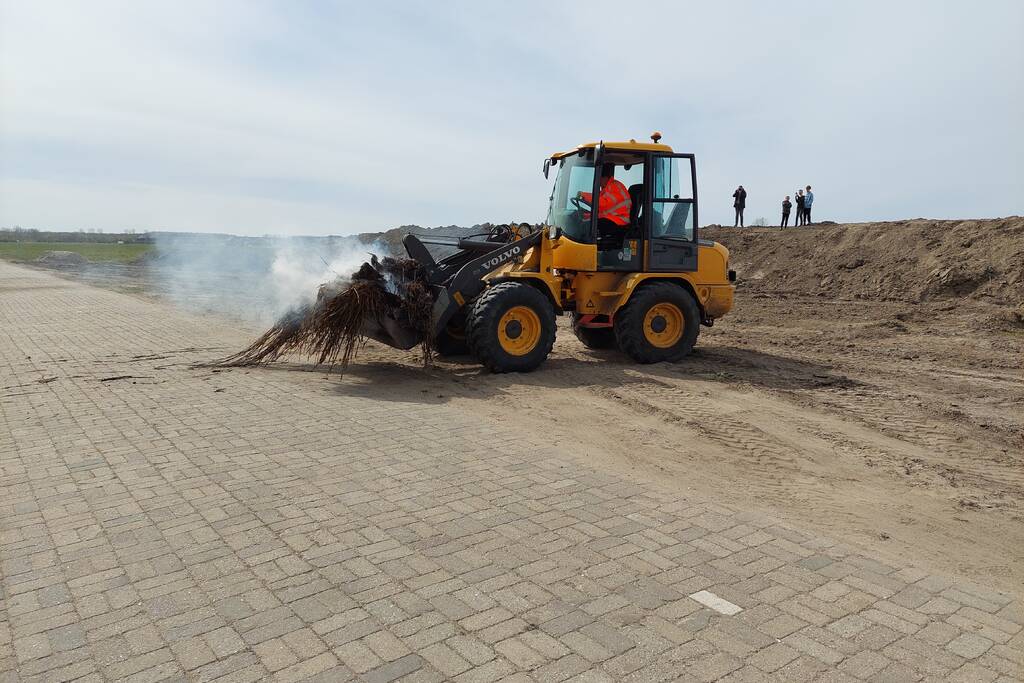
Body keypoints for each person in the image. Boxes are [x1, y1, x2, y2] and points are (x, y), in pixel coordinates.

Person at [578, 164, 631, 233]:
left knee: (588, 226)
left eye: (599, 180)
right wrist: (587, 215)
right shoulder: (607, 187)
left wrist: (584, 195)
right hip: (612, 217)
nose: (599, 183)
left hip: (620, 220)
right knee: (582, 219)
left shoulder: (614, 186)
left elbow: (603, 203)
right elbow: (598, 197)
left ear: (604, 177)